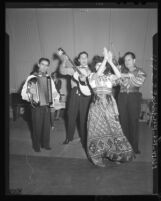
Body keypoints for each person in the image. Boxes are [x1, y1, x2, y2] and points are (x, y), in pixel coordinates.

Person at [86, 48, 135, 167]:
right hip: (97, 106)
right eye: (97, 65)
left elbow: (119, 76)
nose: (100, 67)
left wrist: (110, 62)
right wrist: (105, 60)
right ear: (95, 67)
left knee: (114, 129)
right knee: (95, 131)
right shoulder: (91, 75)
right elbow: (98, 73)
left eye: (101, 65)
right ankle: (97, 159)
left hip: (109, 106)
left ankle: (115, 154)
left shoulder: (109, 77)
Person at [21, 58, 60, 152]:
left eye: (46, 65)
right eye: (42, 64)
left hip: (46, 106)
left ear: (48, 67)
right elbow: (23, 94)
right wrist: (31, 95)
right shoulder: (32, 78)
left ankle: (46, 144)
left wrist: (55, 96)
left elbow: (54, 91)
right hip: (36, 107)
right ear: (38, 64)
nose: (44, 67)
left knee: (47, 127)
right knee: (37, 127)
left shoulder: (49, 78)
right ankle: (36, 146)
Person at [59, 51, 92, 148]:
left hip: (86, 96)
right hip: (74, 94)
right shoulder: (74, 69)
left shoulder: (91, 70)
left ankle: (83, 138)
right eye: (82, 58)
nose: (84, 59)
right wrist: (64, 62)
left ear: (87, 59)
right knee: (71, 116)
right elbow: (62, 71)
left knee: (83, 117)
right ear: (78, 60)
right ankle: (69, 137)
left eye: (85, 57)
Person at [117, 52, 146, 154]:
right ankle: (124, 147)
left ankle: (134, 147)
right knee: (122, 122)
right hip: (122, 97)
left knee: (133, 122)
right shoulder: (121, 70)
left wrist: (126, 75)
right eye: (125, 60)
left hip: (134, 97)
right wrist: (118, 74)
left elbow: (138, 82)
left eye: (129, 59)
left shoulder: (140, 71)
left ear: (134, 60)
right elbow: (116, 82)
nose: (127, 62)